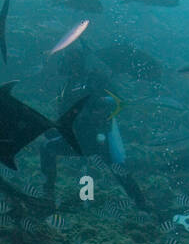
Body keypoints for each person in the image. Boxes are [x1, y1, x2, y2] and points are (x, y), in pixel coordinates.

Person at [39, 63, 148, 209]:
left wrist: (98, 107)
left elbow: (117, 102)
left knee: (117, 168)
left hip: (98, 138)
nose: (71, 69)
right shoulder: (69, 85)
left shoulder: (95, 80)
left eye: (73, 61)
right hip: (78, 138)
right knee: (46, 147)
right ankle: (48, 193)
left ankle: (141, 203)